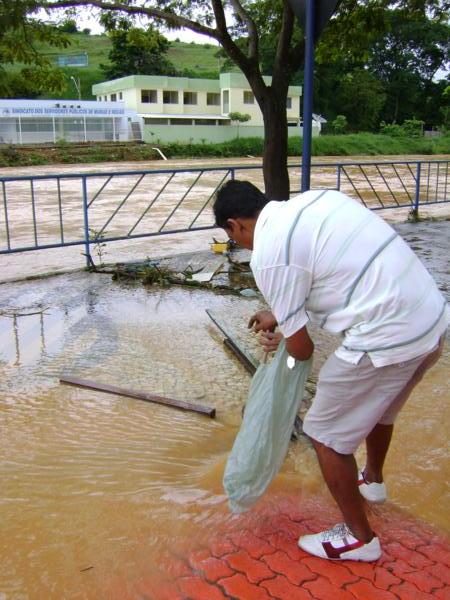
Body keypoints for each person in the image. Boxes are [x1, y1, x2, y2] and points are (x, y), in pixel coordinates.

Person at [213, 180, 447, 562]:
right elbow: (326, 273)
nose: (239, 243)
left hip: (388, 336)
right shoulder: (317, 202)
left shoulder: (268, 254)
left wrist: (285, 352)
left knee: (324, 434)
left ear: (234, 225)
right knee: (380, 408)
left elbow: (302, 349)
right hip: (431, 323)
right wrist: (280, 316)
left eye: (233, 237)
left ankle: (359, 539)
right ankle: (372, 482)